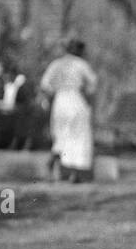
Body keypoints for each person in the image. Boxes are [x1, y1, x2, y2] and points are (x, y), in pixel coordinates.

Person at [40, 38, 97, 182]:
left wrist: (54, 93)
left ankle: (54, 162)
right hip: (75, 99)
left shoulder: (56, 64)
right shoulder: (80, 64)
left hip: (60, 101)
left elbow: (45, 84)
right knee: (79, 135)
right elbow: (92, 83)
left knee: (61, 134)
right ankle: (74, 173)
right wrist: (87, 94)